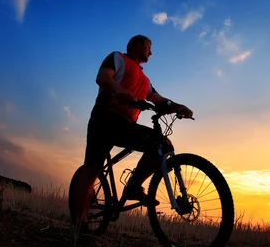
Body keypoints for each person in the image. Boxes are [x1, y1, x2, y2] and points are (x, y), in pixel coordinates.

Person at [70, 34, 193, 233]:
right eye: (148, 47)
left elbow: (159, 100)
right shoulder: (118, 58)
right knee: (92, 169)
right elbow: (103, 78)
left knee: (163, 145)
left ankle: (134, 186)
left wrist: (179, 107)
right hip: (104, 119)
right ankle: (80, 225)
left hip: (125, 124)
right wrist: (121, 92)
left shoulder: (145, 80)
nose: (151, 52)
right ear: (136, 44)